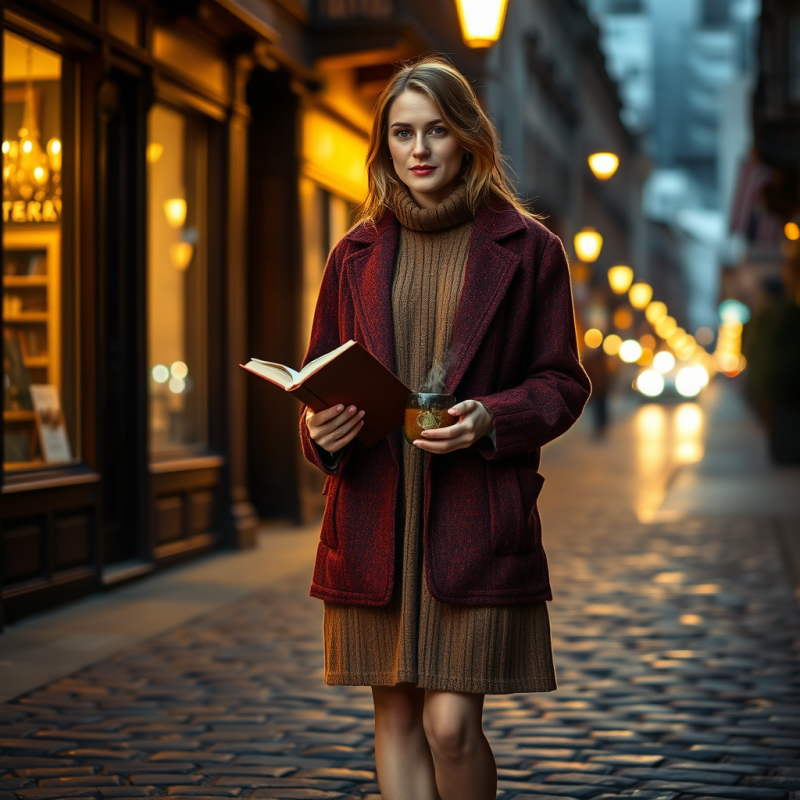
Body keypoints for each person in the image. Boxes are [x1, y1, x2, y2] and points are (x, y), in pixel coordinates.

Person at [298, 55, 590, 800]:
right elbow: (316, 387)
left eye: (436, 130)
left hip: (473, 515)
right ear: (385, 145)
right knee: (395, 717)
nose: (420, 149)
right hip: (374, 516)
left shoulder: (530, 252)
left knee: (452, 725)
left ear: (468, 138)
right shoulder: (352, 254)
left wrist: (495, 417)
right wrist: (322, 433)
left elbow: (562, 381)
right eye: (402, 133)